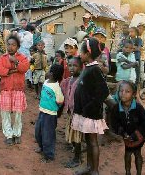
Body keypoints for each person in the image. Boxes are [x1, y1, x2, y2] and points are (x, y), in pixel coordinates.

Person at [72, 38, 109, 175]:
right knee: (88, 140)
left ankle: (95, 170)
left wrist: (89, 107)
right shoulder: (88, 68)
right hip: (84, 113)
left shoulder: (94, 70)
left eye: (81, 53)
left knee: (92, 141)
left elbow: (103, 92)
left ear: (87, 54)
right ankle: (88, 167)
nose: (79, 55)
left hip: (91, 114)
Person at [111, 81, 145, 175]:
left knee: (137, 153)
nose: (123, 93)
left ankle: (139, 173)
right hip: (126, 135)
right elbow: (114, 122)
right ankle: (127, 172)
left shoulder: (138, 108)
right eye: (121, 91)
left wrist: (136, 134)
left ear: (133, 94)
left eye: (127, 91)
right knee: (128, 153)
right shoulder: (116, 108)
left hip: (139, 135)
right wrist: (121, 132)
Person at [0, 35, 30, 145]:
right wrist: (14, 70)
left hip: (18, 90)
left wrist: (15, 61)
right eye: (9, 44)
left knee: (17, 114)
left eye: (13, 45)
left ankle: (17, 134)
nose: (10, 47)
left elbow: (24, 68)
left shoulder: (22, 58)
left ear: (18, 47)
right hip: (6, 89)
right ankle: (8, 135)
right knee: (5, 114)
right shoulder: (2, 58)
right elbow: (0, 71)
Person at [35, 64, 65, 162]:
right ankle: (42, 147)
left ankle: (49, 155)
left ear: (51, 74)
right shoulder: (46, 82)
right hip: (42, 112)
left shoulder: (56, 87)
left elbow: (60, 101)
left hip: (50, 115)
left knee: (48, 135)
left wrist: (56, 110)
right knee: (38, 132)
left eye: (48, 70)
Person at [60, 56, 84, 168]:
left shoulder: (82, 82)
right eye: (70, 65)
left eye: (75, 65)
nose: (72, 68)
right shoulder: (67, 81)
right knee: (73, 135)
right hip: (71, 113)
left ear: (81, 67)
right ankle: (77, 152)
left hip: (79, 114)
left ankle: (77, 158)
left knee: (77, 137)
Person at [128, 26, 143, 100]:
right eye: (129, 32)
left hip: (136, 60)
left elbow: (139, 48)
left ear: (136, 32)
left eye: (132, 32)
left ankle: (136, 94)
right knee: (130, 76)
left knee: (137, 77)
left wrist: (130, 47)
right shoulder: (128, 40)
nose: (130, 33)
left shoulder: (138, 40)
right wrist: (133, 47)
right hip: (129, 60)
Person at [136, 22, 145, 99]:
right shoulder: (134, 35)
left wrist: (137, 47)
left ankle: (141, 92)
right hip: (134, 58)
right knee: (135, 76)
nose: (140, 29)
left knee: (141, 76)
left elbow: (144, 47)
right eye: (139, 28)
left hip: (142, 58)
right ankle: (135, 93)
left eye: (142, 28)